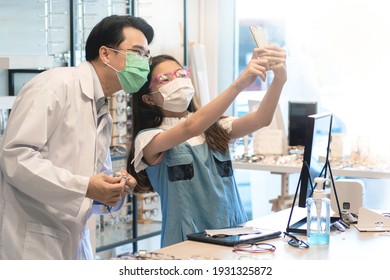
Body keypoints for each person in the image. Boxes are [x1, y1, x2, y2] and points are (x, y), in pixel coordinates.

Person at [0, 15, 154, 260]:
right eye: (137, 52)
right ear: (105, 53)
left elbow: (91, 182)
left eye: (147, 55)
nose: (144, 63)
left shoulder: (101, 108)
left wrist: (114, 186)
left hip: (73, 239)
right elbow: (16, 158)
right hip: (32, 240)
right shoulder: (55, 86)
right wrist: (85, 187)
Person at [127, 45, 287, 247]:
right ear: (148, 99)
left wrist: (280, 80)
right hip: (186, 241)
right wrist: (239, 84)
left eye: (181, 74)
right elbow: (189, 128)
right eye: (165, 79)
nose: (178, 81)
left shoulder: (214, 127)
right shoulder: (149, 139)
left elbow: (261, 120)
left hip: (235, 233)